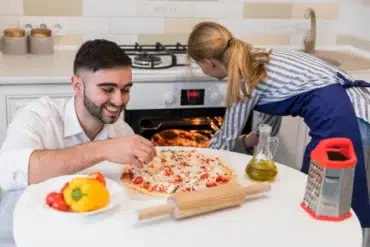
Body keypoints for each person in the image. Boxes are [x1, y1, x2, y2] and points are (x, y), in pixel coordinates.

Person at [187, 21, 370, 235]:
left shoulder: (243, 80)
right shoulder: (256, 58)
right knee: (324, 199)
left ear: (209, 62)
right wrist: (252, 140)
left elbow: (224, 141)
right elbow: (272, 109)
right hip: (353, 111)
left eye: (199, 66)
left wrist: (198, 166)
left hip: (344, 116)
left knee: (323, 202)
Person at [0, 39, 156, 246]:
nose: (119, 101)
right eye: (107, 89)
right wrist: (103, 149)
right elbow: (9, 173)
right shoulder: (38, 116)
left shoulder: (122, 132)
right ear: (77, 85)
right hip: (20, 236)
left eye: (125, 89)